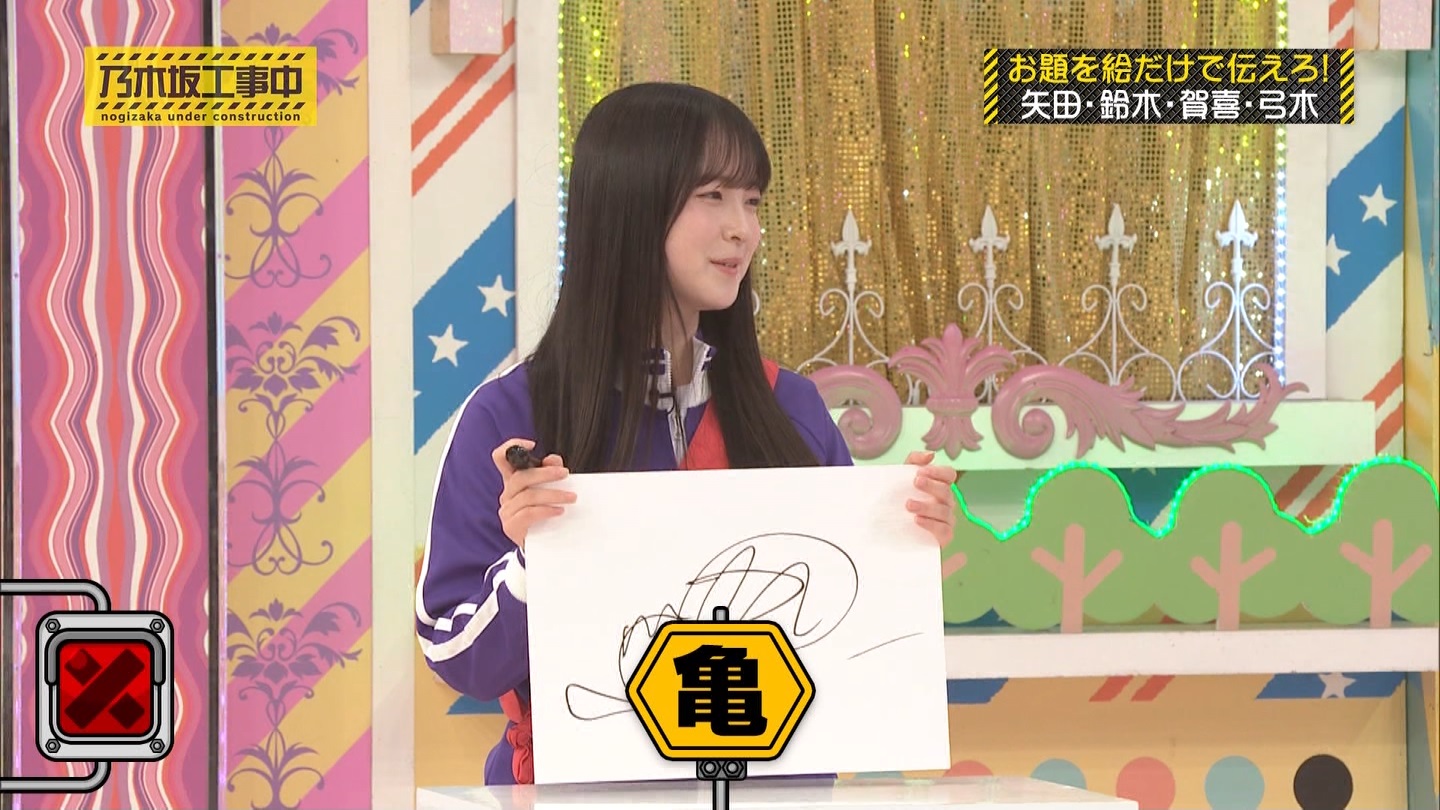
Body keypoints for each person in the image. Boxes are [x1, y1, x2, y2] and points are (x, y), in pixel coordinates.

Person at [414, 81, 959, 787]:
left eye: (752, 201)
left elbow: (855, 640)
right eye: (713, 196)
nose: (743, 229)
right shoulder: (511, 416)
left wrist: (901, 539)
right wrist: (530, 562)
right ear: (630, 205)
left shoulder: (789, 407)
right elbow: (458, 658)